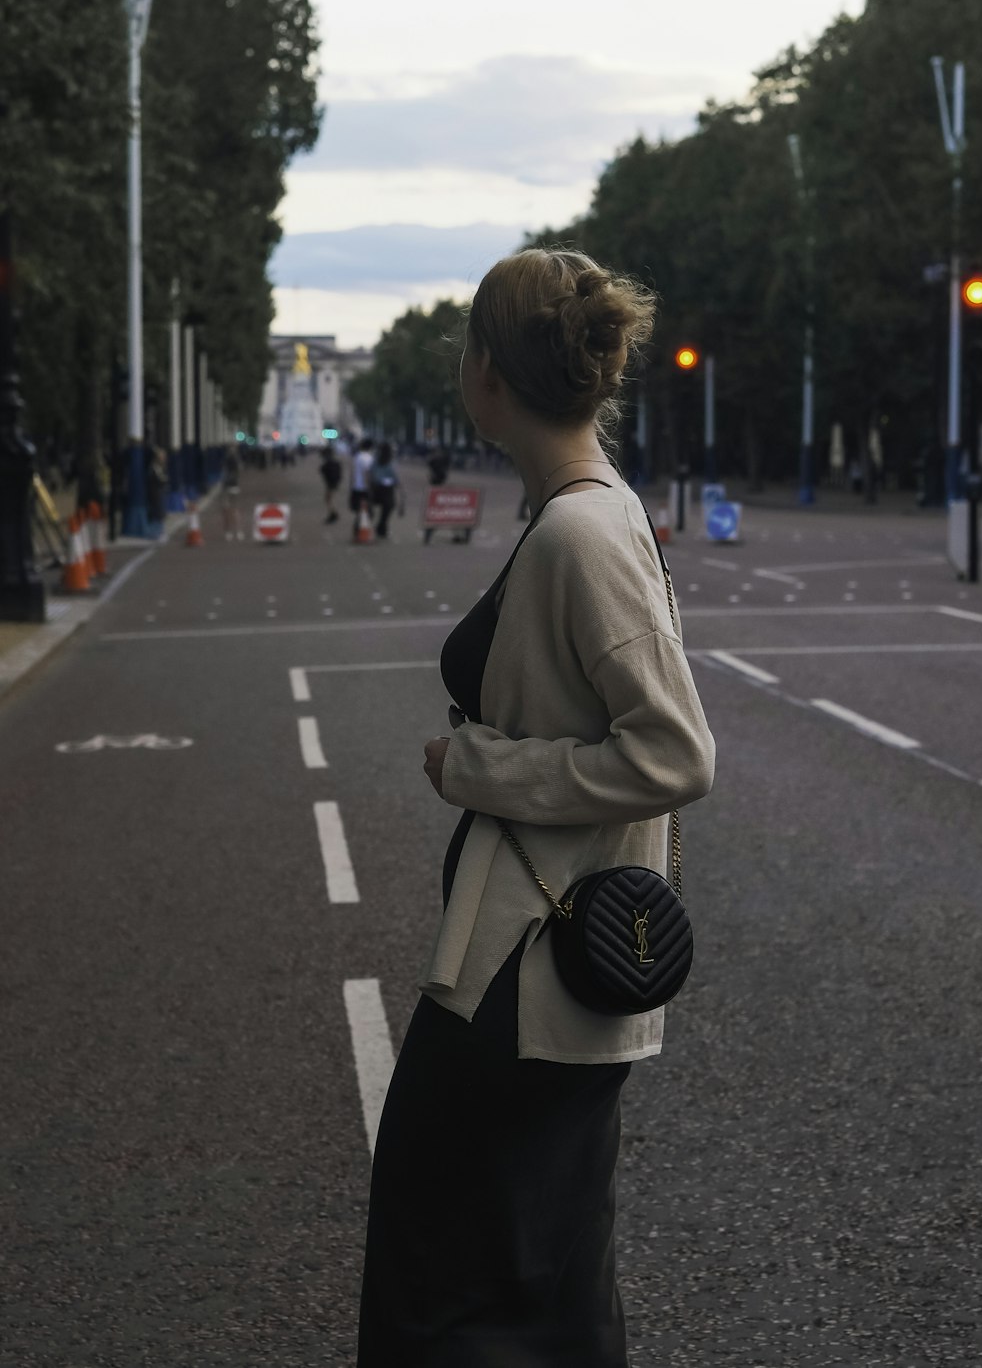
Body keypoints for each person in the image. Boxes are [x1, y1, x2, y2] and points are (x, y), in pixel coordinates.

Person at [356, 247, 716, 1366]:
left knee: (444, 1282)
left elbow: (675, 749)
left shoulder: (579, 531)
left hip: (530, 969)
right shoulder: (583, 511)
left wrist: (482, 770)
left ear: (485, 376)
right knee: (542, 1278)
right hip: (540, 961)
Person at [369, 440, 405, 538]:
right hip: (386, 489)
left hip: (377, 488)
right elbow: (396, 479)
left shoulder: (376, 461)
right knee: (388, 508)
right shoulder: (391, 462)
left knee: (384, 508)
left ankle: (381, 528)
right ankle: (381, 527)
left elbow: (372, 475)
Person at [350, 436, 375, 537]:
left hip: (356, 487)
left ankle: (358, 529)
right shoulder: (368, 458)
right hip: (364, 488)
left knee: (359, 510)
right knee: (366, 511)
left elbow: (352, 473)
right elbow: (367, 473)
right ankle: (360, 530)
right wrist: (369, 487)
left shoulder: (357, 457)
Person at [222, 445, 243, 541]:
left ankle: (228, 532)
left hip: (227, 486)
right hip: (235, 486)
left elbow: (224, 472)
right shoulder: (236, 460)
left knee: (227, 510)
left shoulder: (226, 460)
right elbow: (239, 471)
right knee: (235, 510)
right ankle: (238, 532)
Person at [319, 445, 342, 523]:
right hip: (333, 484)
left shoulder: (327, 464)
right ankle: (333, 513)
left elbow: (323, 471)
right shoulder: (335, 463)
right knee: (329, 499)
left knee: (329, 499)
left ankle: (333, 514)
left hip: (331, 484)